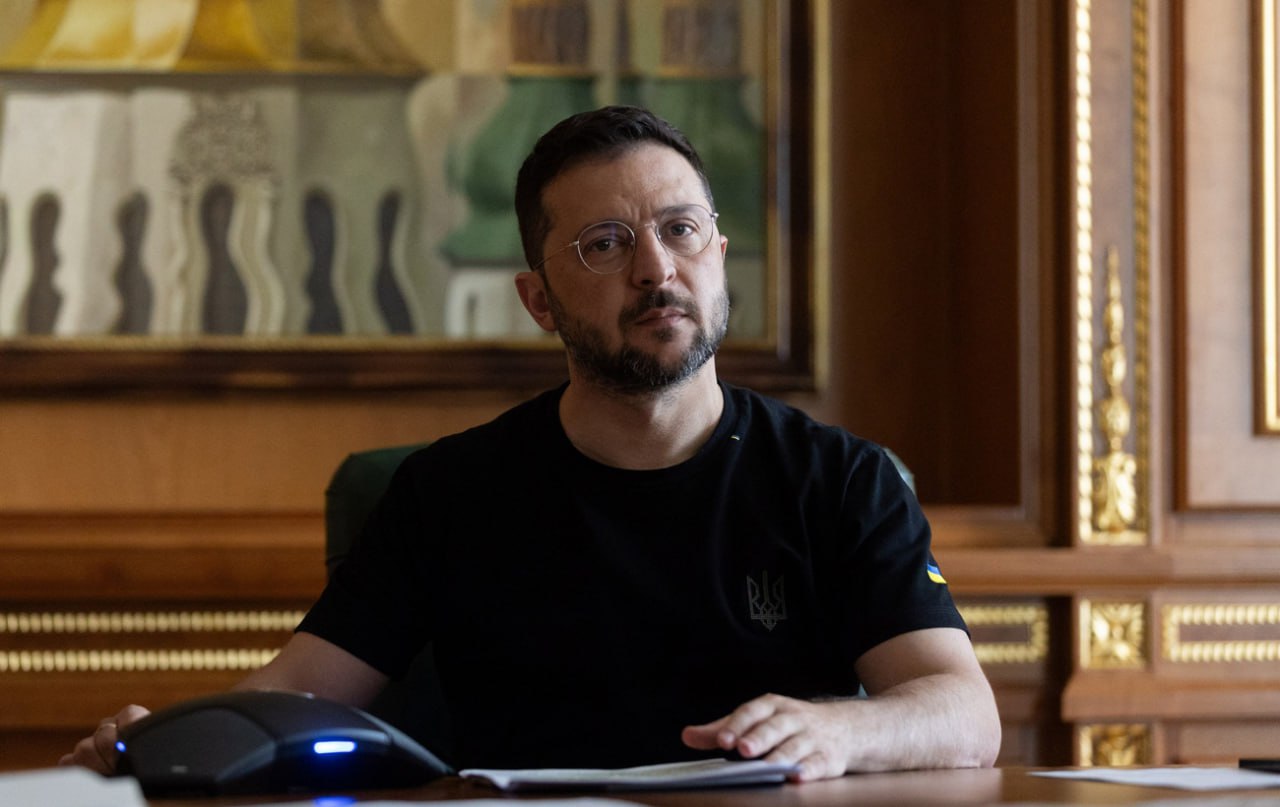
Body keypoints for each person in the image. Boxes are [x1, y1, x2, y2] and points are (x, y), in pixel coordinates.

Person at [61, 105, 1000, 782]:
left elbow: (963, 710)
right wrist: (170, 738)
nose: (656, 269)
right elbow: (299, 694)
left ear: (718, 257)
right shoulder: (448, 492)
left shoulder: (839, 479)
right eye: (605, 244)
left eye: (681, 230)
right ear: (539, 299)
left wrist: (839, 732)